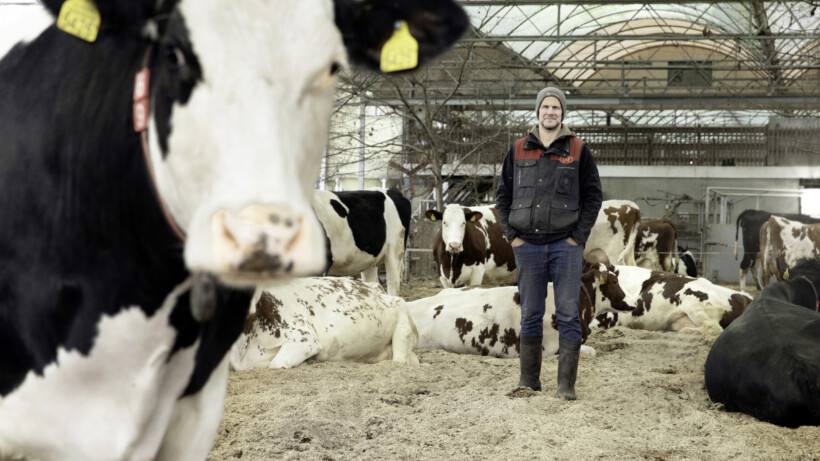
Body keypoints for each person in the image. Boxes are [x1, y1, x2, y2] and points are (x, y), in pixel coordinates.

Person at [496, 87, 602, 400]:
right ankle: (529, 380)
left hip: (564, 246)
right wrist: (511, 236)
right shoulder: (518, 149)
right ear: (538, 112)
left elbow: (593, 196)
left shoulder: (578, 149)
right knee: (530, 313)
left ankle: (565, 385)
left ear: (562, 113)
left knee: (568, 313)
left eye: (556, 107)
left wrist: (577, 238)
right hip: (526, 245)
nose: (550, 112)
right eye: (546, 107)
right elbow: (503, 196)